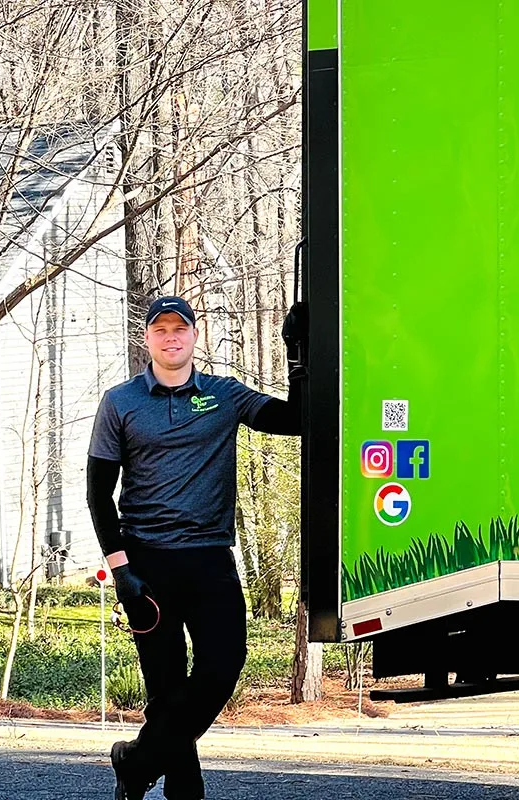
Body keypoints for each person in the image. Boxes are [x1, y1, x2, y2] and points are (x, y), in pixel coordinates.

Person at [87, 295, 307, 800]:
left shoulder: (224, 396)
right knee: (165, 685)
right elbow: (99, 493)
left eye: (179, 329)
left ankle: (136, 761)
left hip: (210, 559)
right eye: (160, 330)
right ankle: (184, 784)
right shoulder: (120, 402)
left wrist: (297, 356)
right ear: (148, 339)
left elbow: (295, 421)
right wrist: (121, 570)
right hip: (147, 563)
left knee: (222, 666)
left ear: (194, 335)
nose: (171, 337)